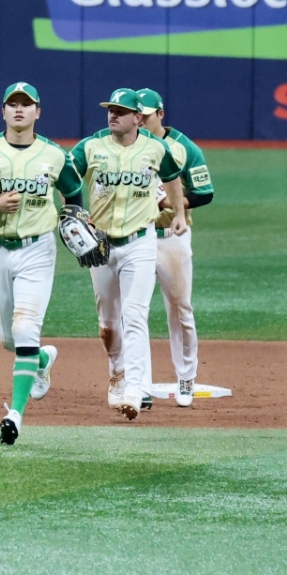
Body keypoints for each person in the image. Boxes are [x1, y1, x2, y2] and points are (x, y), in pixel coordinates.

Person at [0, 83, 81, 444]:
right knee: (9, 339)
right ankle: (42, 360)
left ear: (38, 112)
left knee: (24, 329)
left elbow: (73, 193)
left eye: (27, 104)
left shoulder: (54, 154)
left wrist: (74, 220)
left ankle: (16, 416)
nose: (19, 109)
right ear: (3, 111)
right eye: (13, 104)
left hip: (38, 249)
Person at [69, 88, 187, 420]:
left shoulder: (155, 148)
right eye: (111, 109)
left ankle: (135, 389)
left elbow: (172, 178)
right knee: (108, 324)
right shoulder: (90, 147)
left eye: (121, 111)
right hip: (101, 244)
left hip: (140, 242)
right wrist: (72, 210)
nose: (113, 115)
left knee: (134, 315)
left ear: (137, 118)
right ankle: (117, 372)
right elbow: (66, 177)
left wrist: (178, 213)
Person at [136, 88, 215, 408]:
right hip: (135, 238)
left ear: (160, 114)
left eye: (145, 115)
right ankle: (138, 384)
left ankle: (186, 378)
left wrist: (170, 202)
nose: (140, 120)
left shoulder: (184, 147)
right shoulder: (125, 145)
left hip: (172, 236)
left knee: (180, 309)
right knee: (132, 311)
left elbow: (204, 192)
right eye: (136, 115)